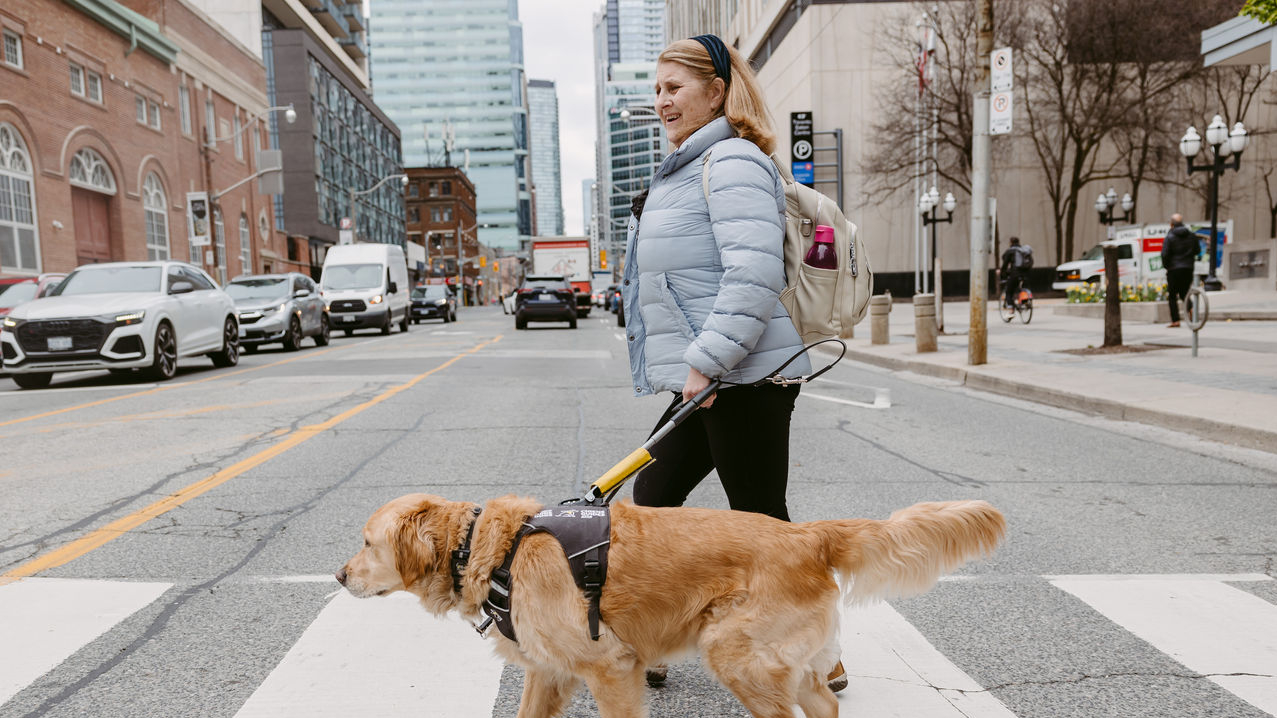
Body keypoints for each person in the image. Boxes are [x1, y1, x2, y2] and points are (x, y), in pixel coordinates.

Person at [618, 34, 848, 692]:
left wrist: (708, 362)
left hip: (739, 375)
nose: (662, 101)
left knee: (761, 522)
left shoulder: (732, 161)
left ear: (715, 91)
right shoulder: (687, 167)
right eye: (656, 90)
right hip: (716, 374)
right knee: (655, 499)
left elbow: (750, 277)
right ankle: (653, 638)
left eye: (674, 88)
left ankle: (819, 657)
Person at [1161, 214, 1199, 328]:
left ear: (1171, 224)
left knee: (1172, 295)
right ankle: (1191, 308)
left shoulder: (1170, 236)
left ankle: (1175, 320)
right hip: (1188, 268)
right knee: (1184, 292)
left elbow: (1165, 254)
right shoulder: (1191, 236)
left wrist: (1167, 266)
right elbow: (1197, 250)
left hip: (1174, 269)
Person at [1000, 237, 1032, 307]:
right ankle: (1025, 300)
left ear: (1011, 242)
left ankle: (1011, 310)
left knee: (1009, 291)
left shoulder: (1010, 251)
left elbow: (1005, 265)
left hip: (1015, 274)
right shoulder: (1023, 251)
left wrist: (1002, 275)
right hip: (1026, 273)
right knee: (1024, 287)